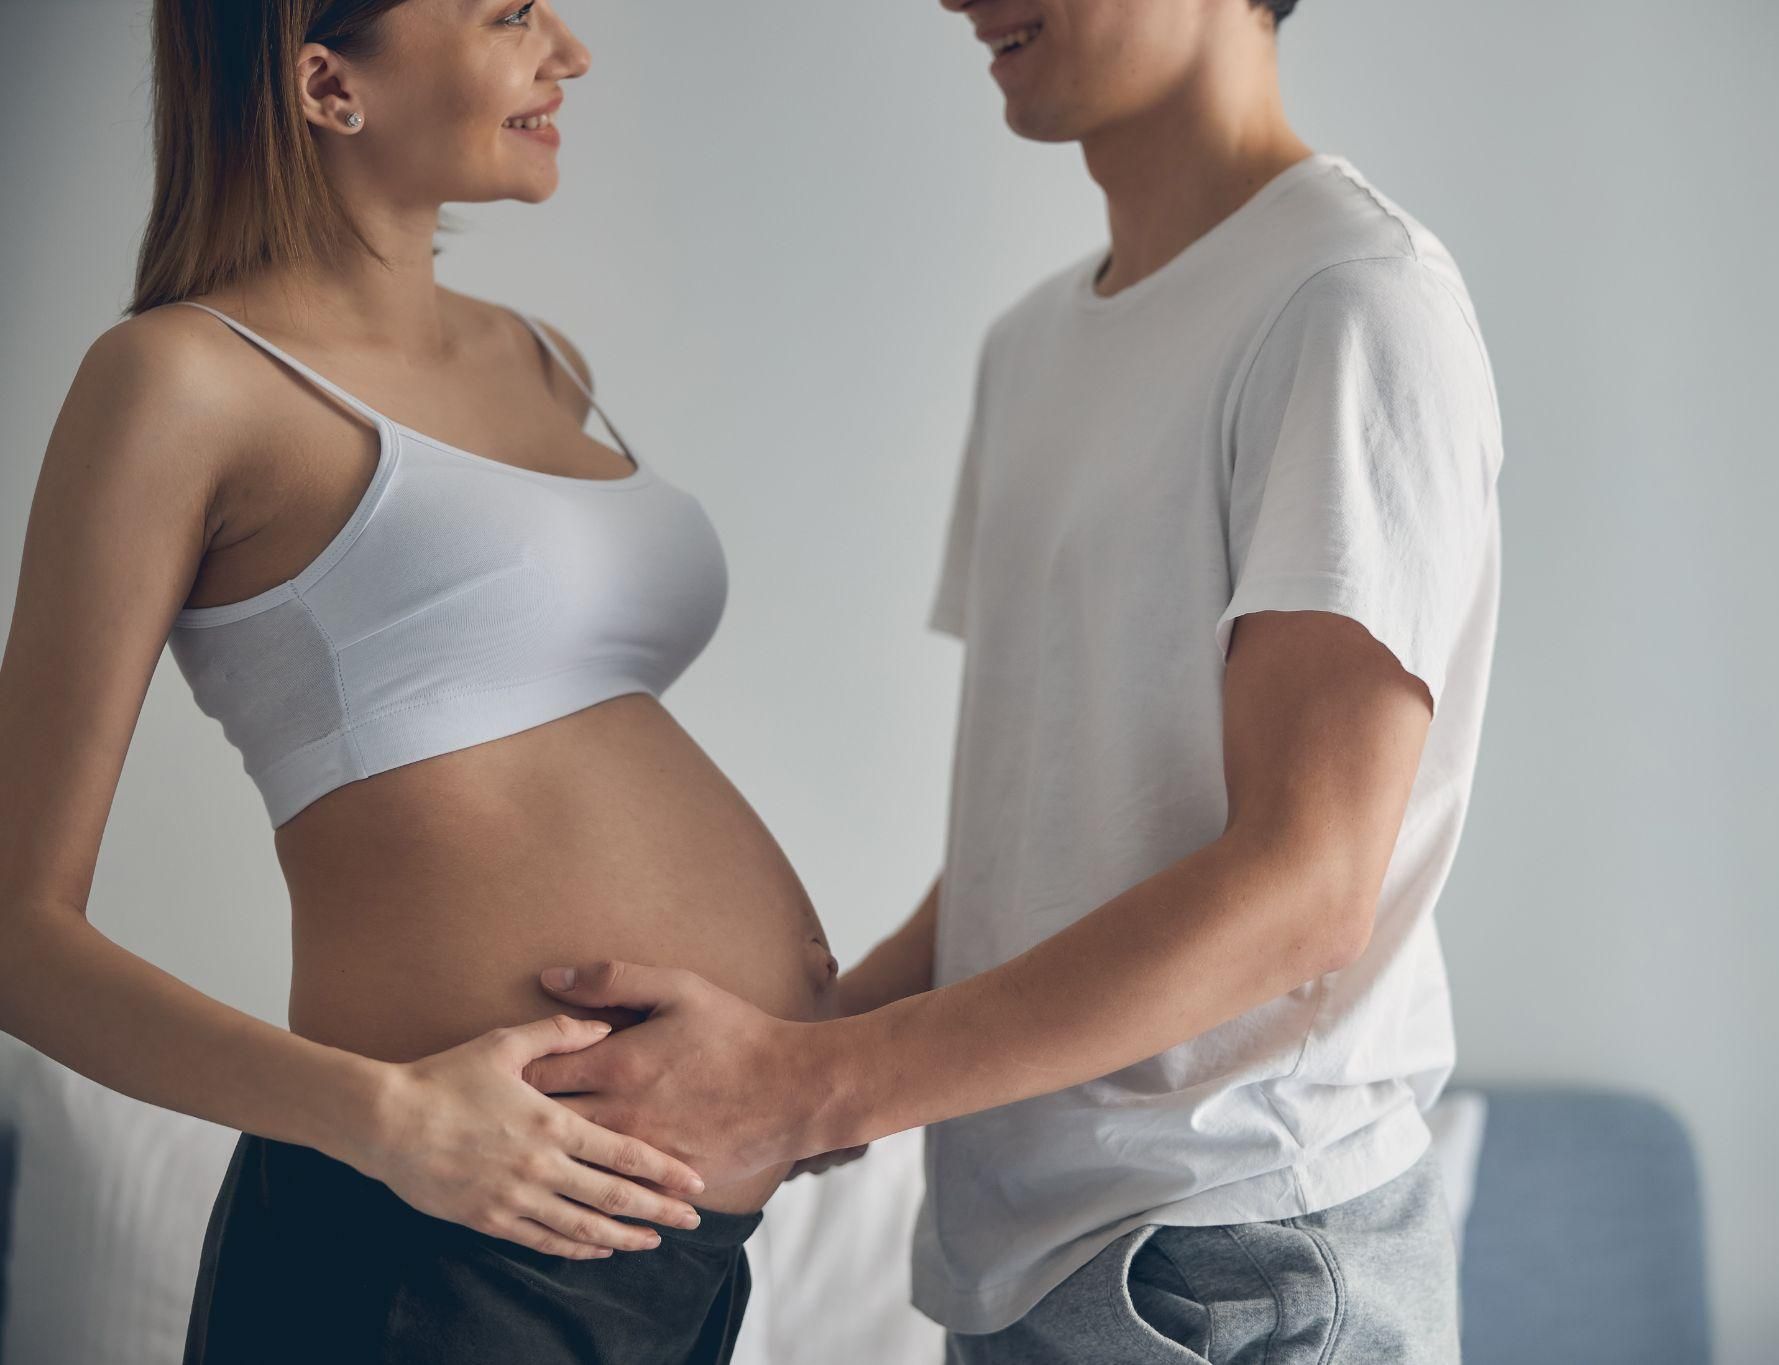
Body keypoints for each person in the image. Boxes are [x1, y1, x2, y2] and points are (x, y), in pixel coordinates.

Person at [519, 0, 1504, 1359]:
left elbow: (1305, 890)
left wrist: (815, 1086)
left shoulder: (1348, 302)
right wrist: (786, 1044)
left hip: (1230, 1259)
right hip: (1022, 1255)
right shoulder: (1032, 347)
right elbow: (1041, 833)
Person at [0, 1, 843, 1360]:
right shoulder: (177, 382)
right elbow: (14, 928)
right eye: (509, 12)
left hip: (664, 1252)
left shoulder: (544, 360)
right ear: (328, 83)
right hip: (436, 1252)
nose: (566, 52)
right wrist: (387, 1120)